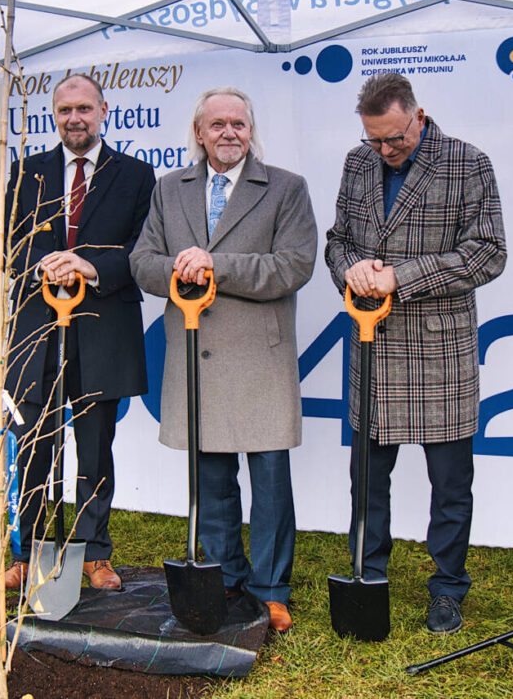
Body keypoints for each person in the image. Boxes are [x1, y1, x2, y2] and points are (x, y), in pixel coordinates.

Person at [324, 73, 506, 634]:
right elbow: (337, 240)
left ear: (418, 117)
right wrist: (349, 269)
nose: (383, 150)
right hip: (371, 343)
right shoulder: (358, 164)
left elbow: (488, 254)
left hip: (439, 353)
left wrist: (400, 276)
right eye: (374, 139)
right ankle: (366, 573)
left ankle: (448, 587)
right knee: (367, 480)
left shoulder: (467, 162)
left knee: (450, 486)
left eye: (394, 139)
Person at [130, 86, 317, 632]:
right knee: (210, 481)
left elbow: (294, 265)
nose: (230, 132)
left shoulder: (286, 188)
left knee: (270, 484)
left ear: (251, 131)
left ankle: (271, 588)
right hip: (195, 355)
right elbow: (143, 262)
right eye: (218, 125)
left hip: (259, 359)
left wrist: (214, 266)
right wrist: (177, 271)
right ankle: (226, 575)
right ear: (199, 133)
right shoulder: (170, 190)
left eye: (239, 123)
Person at [0, 73, 156, 592]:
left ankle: (93, 553)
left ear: (103, 110)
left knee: (95, 447)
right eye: (65, 110)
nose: (75, 118)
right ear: (54, 114)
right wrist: (47, 262)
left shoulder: (136, 175)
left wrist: (86, 267)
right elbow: (4, 244)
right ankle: (31, 550)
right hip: (37, 329)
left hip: (102, 327)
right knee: (34, 443)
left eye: (84, 109)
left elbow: (140, 251)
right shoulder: (28, 172)